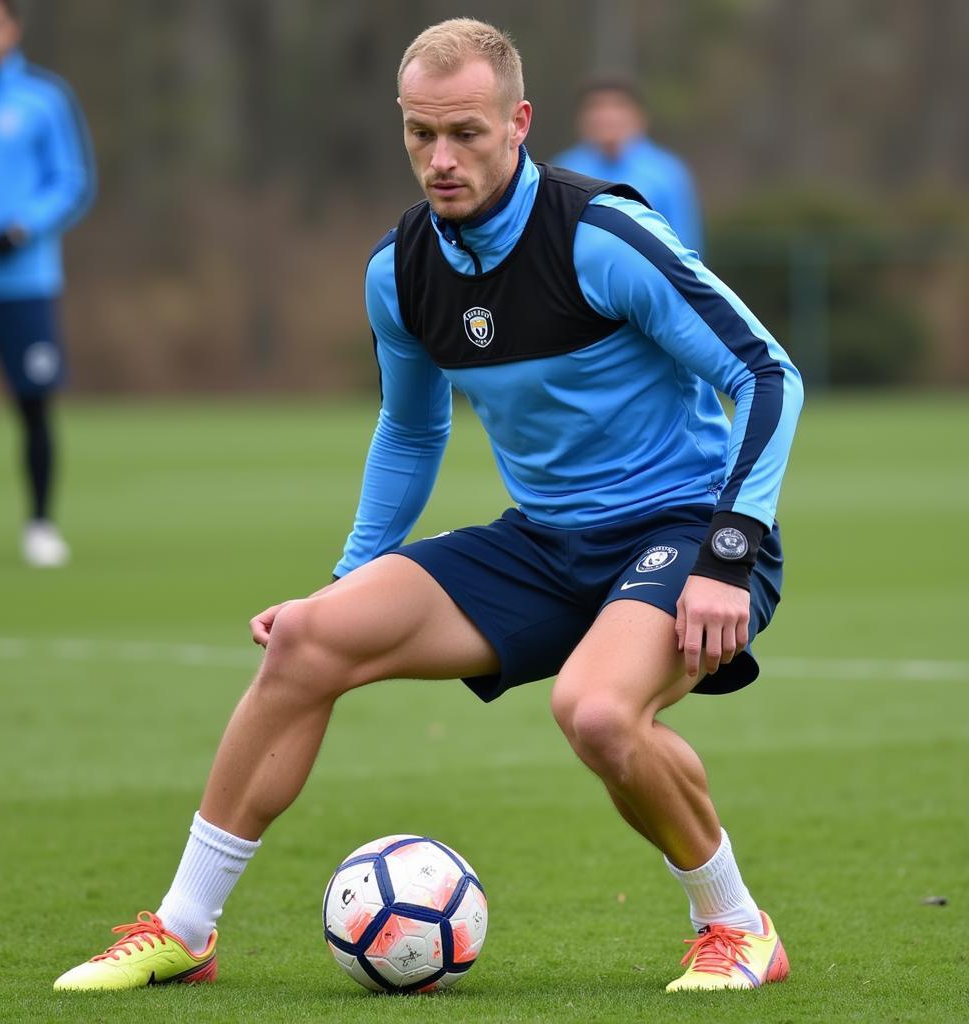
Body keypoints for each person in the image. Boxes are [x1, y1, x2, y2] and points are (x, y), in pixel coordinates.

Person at [54, 17, 802, 994]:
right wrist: (350, 580)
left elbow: (764, 371)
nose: (439, 159)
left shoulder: (603, 237)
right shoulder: (399, 273)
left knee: (596, 713)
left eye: (465, 133)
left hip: (682, 535)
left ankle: (739, 929)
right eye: (419, 134)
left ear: (518, 122)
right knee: (305, 642)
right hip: (543, 544)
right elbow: (411, 431)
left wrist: (726, 555)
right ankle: (183, 929)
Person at [0, 0, 95, 566]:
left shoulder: (43, 99)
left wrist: (23, 227)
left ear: (12, 31)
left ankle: (39, 523)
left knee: (32, 403)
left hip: (23, 285)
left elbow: (72, 180)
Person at [552, 74, 704, 256]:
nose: (607, 116)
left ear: (640, 116)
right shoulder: (563, 170)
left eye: (618, 106)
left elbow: (686, 246)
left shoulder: (667, 173)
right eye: (597, 107)